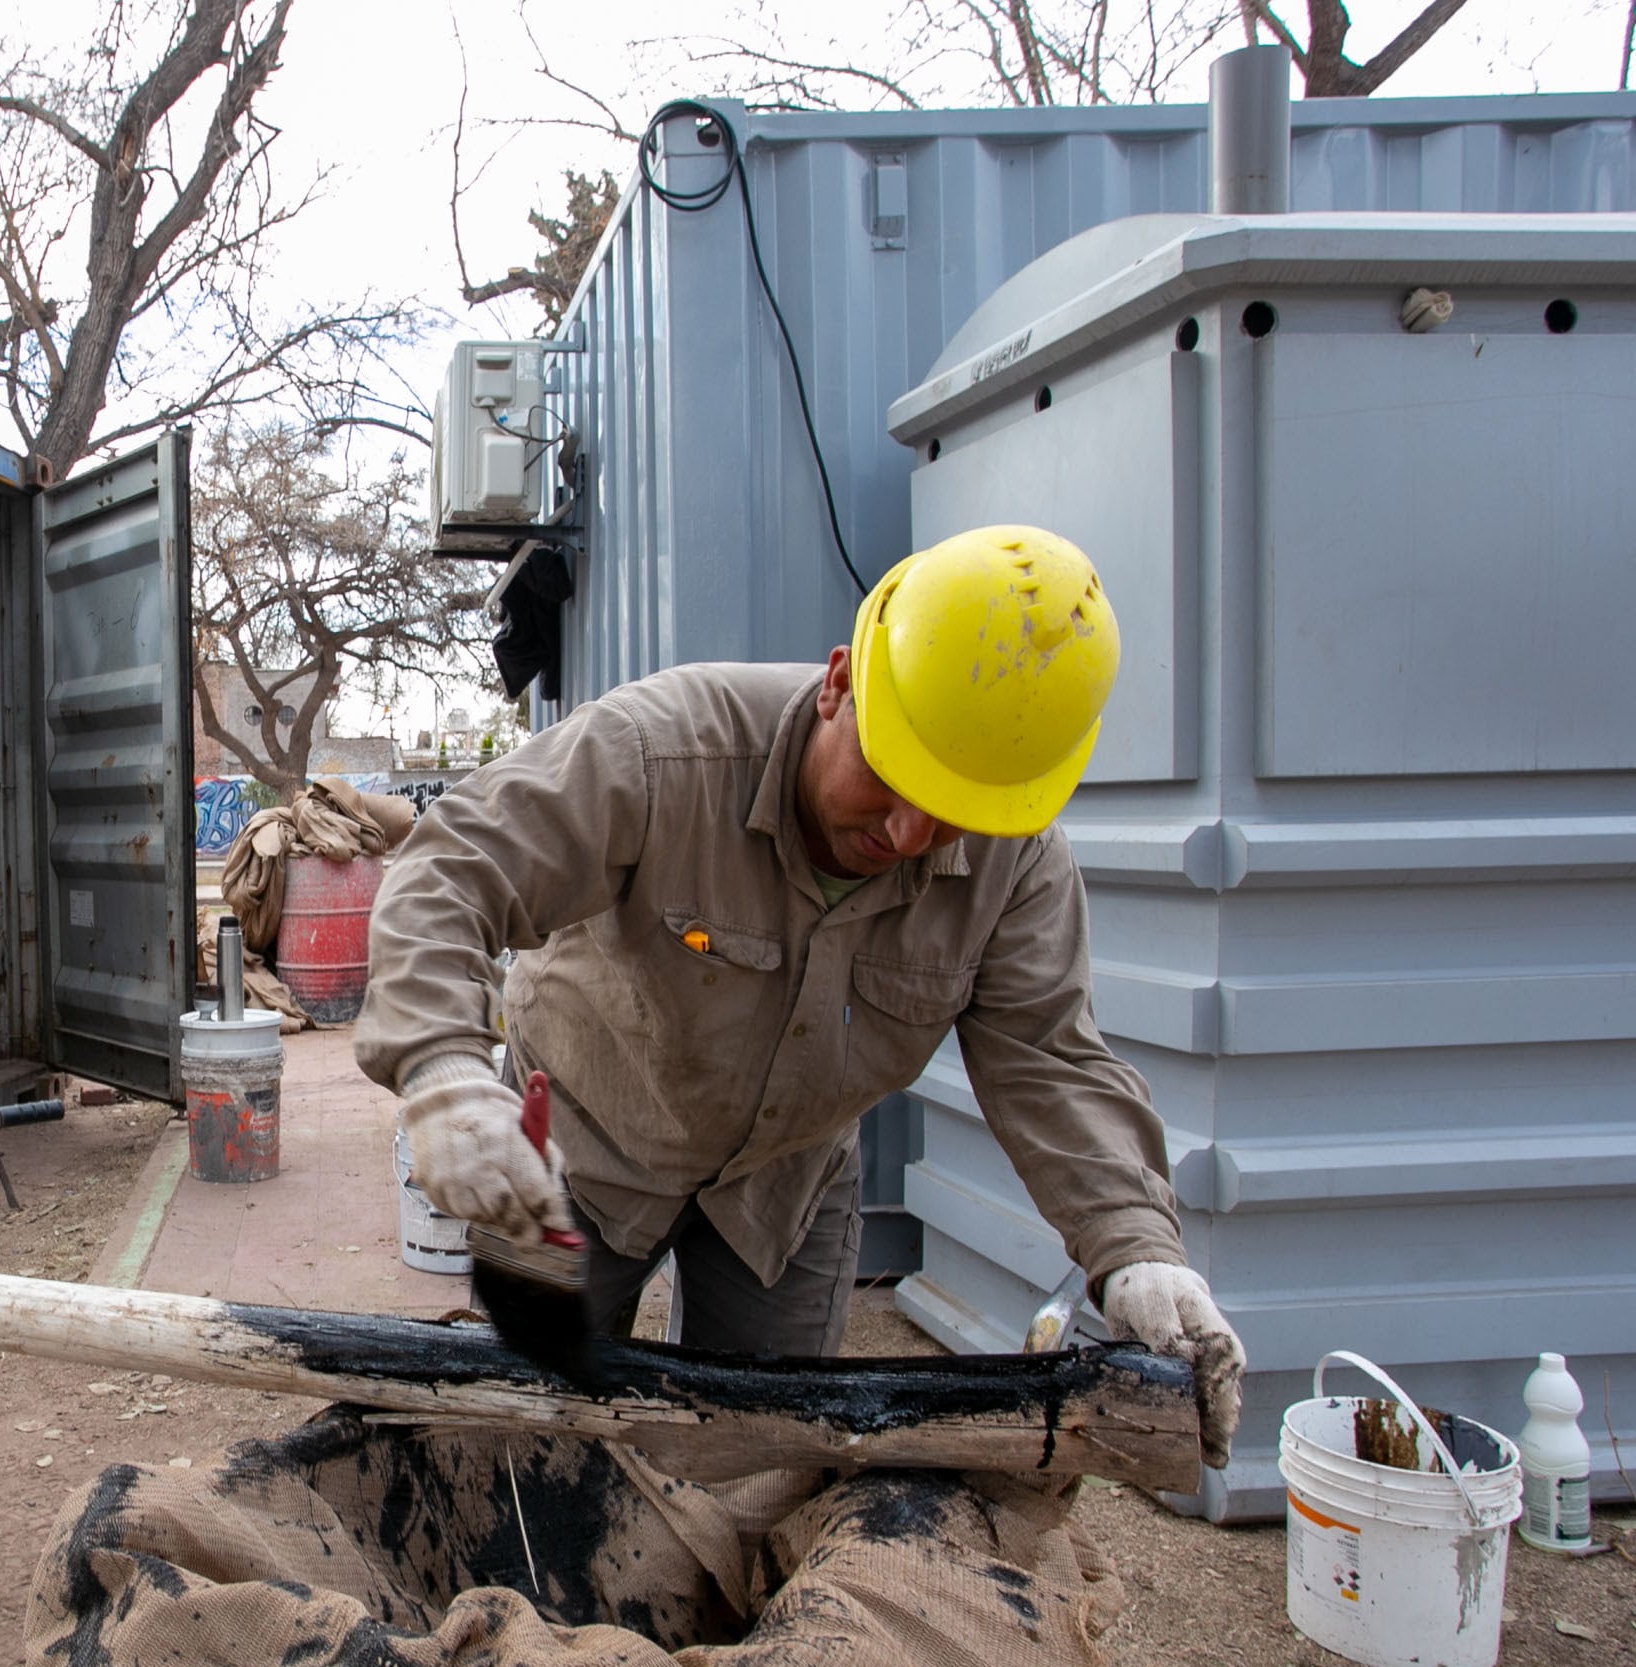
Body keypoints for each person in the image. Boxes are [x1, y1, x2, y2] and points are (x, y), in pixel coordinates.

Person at [356, 524, 1243, 1465]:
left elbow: (1049, 1059)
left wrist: (1136, 1249)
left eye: (953, 814)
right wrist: (444, 1068)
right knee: (521, 1429)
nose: (906, 833)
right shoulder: (662, 750)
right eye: (893, 778)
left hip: (786, 1178)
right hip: (585, 1138)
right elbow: (453, 866)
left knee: (764, 1461)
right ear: (838, 684)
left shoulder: (1014, 865)